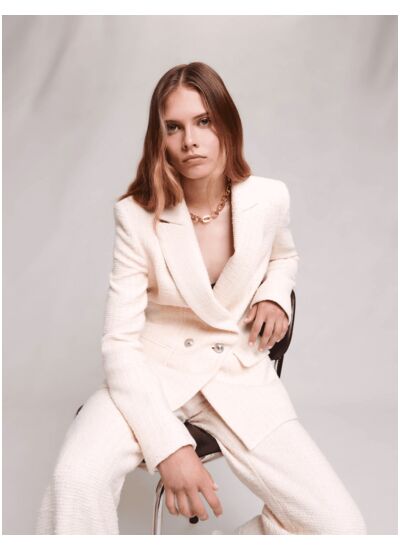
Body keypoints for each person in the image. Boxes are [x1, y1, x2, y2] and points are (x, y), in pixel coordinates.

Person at [35, 62, 367, 535]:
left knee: (340, 527)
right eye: (174, 127)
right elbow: (119, 344)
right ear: (160, 139)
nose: (190, 141)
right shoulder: (135, 216)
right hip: (152, 375)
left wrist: (274, 296)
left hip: (237, 375)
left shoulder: (269, 199)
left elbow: (283, 255)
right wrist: (169, 447)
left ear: (226, 124)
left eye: (203, 121)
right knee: (74, 478)